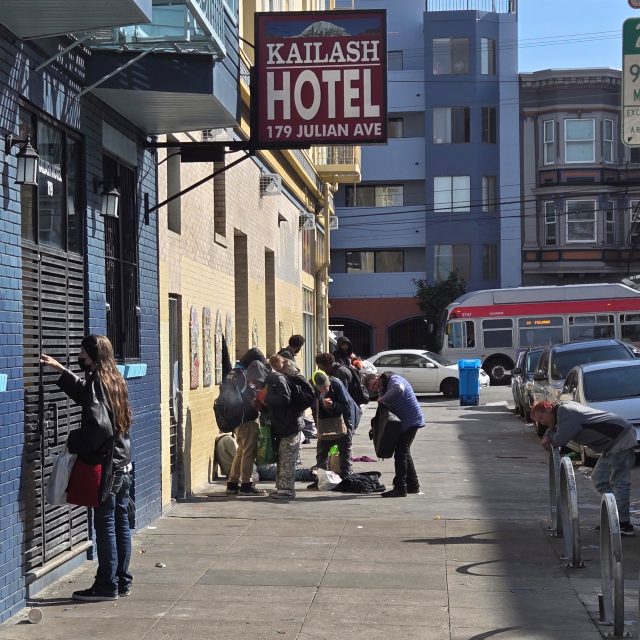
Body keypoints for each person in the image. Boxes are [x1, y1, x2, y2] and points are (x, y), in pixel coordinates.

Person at [40, 335, 133, 601]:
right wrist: (62, 370)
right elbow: (90, 395)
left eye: (81, 351)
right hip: (123, 463)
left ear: (91, 355)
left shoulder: (97, 382)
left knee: (105, 525)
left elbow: (99, 427)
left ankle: (106, 585)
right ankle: (121, 580)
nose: (79, 356)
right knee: (120, 522)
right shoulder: (114, 379)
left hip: (108, 467)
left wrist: (73, 441)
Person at [532, 400, 637, 536]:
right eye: (539, 421)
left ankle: (624, 524)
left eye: (541, 417)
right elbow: (554, 431)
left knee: (619, 481)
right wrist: (548, 434)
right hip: (611, 444)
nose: (542, 422)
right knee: (600, 479)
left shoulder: (566, 412)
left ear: (548, 408)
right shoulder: (561, 412)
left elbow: (560, 440)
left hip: (620, 438)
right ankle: (614, 518)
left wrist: (548, 436)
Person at [247, 356, 303, 499]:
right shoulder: (270, 381)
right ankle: (281, 488)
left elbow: (285, 399)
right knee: (282, 458)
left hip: (290, 425)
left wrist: (264, 399)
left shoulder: (277, 379)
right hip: (282, 425)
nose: (255, 383)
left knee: (287, 459)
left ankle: (287, 490)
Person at [364, 372, 425, 498]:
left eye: (375, 384)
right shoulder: (383, 388)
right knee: (404, 452)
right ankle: (413, 485)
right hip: (404, 423)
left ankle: (400, 487)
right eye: (374, 388)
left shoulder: (393, 380)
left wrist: (382, 399)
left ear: (378, 376)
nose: (377, 388)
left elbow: (399, 389)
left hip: (411, 420)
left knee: (401, 453)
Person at [225, 348, 268, 496]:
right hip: (247, 418)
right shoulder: (245, 375)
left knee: (241, 451)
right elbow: (252, 397)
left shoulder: (233, 373)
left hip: (236, 419)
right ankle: (246, 484)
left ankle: (232, 483)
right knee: (249, 452)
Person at [308, 370, 360, 487]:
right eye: (321, 389)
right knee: (322, 452)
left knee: (344, 450)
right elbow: (313, 407)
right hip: (325, 423)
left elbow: (347, 406)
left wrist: (333, 405)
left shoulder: (336, 384)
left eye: (326, 387)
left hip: (342, 422)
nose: (324, 391)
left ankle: (345, 478)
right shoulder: (313, 389)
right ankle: (321, 479)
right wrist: (317, 425)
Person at [316, 352, 363, 431]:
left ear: (327, 365)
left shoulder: (340, 373)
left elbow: (343, 397)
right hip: (345, 414)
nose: (320, 370)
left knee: (341, 442)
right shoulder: (337, 370)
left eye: (320, 367)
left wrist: (331, 403)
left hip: (348, 417)